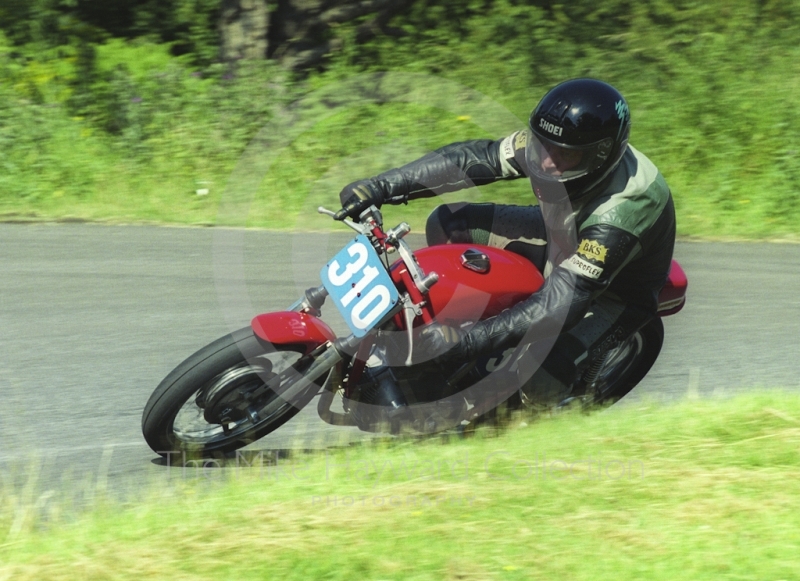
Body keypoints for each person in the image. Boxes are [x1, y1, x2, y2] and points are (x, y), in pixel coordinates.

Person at [334, 78, 676, 405]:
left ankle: (543, 413)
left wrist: (468, 342)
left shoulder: (622, 212)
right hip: (558, 233)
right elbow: (470, 159)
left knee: (543, 380)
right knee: (449, 224)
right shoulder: (552, 146)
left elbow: (560, 304)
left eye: (563, 156)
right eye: (543, 146)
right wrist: (380, 186)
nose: (545, 162)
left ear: (600, 156)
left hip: (613, 292)